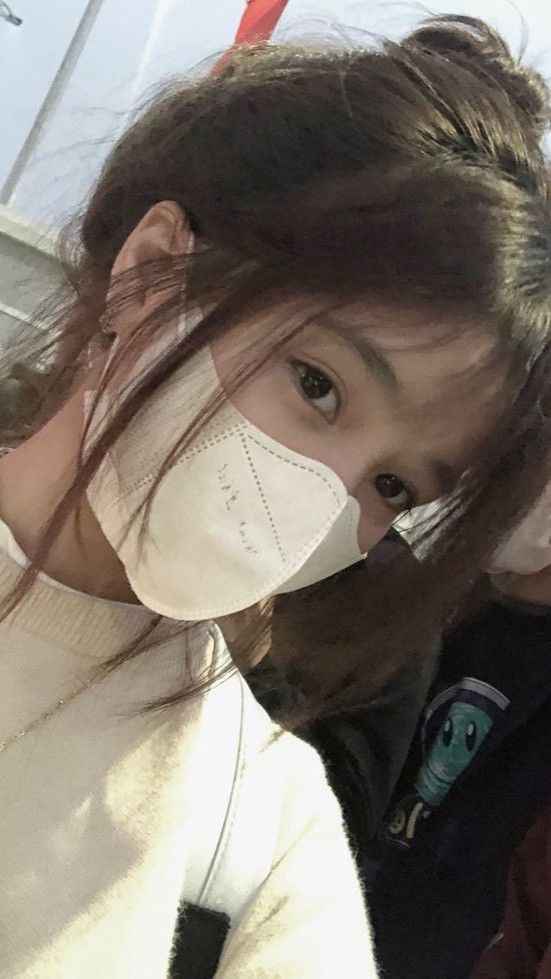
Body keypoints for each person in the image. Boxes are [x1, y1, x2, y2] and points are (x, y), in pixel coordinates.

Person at [1, 14, 551, 979]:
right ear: (151, 271)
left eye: (392, 485)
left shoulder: (262, 821)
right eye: (318, 384)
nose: (318, 501)